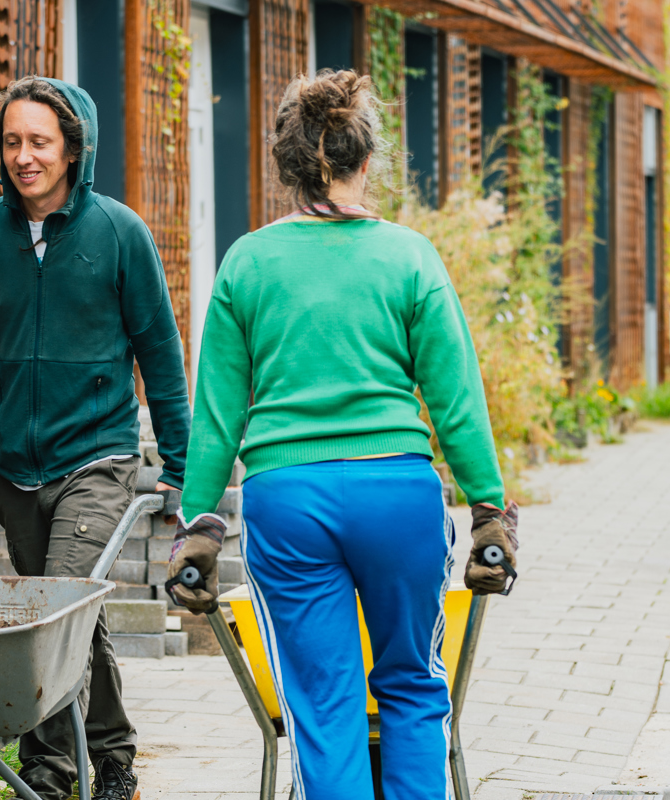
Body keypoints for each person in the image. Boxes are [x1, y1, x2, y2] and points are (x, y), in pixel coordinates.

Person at [161, 70, 518, 800]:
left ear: (287, 165)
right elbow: (455, 399)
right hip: (397, 492)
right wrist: (489, 509)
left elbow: (219, 412)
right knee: (414, 685)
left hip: (288, 501)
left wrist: (198, 522)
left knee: (325, 708)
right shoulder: (409, 256)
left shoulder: (248, 261)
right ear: (367, 157)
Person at [0, 76, 191, 800]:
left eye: (39, 141)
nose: (24, 156)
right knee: (72, 616)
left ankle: (52, 771)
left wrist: (181, 463)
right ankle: (114, 760)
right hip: (16, 469)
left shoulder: (118, 233)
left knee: (56, 606)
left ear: (73, 148)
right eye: (12, 141)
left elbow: (160, 354)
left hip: (96, 458)